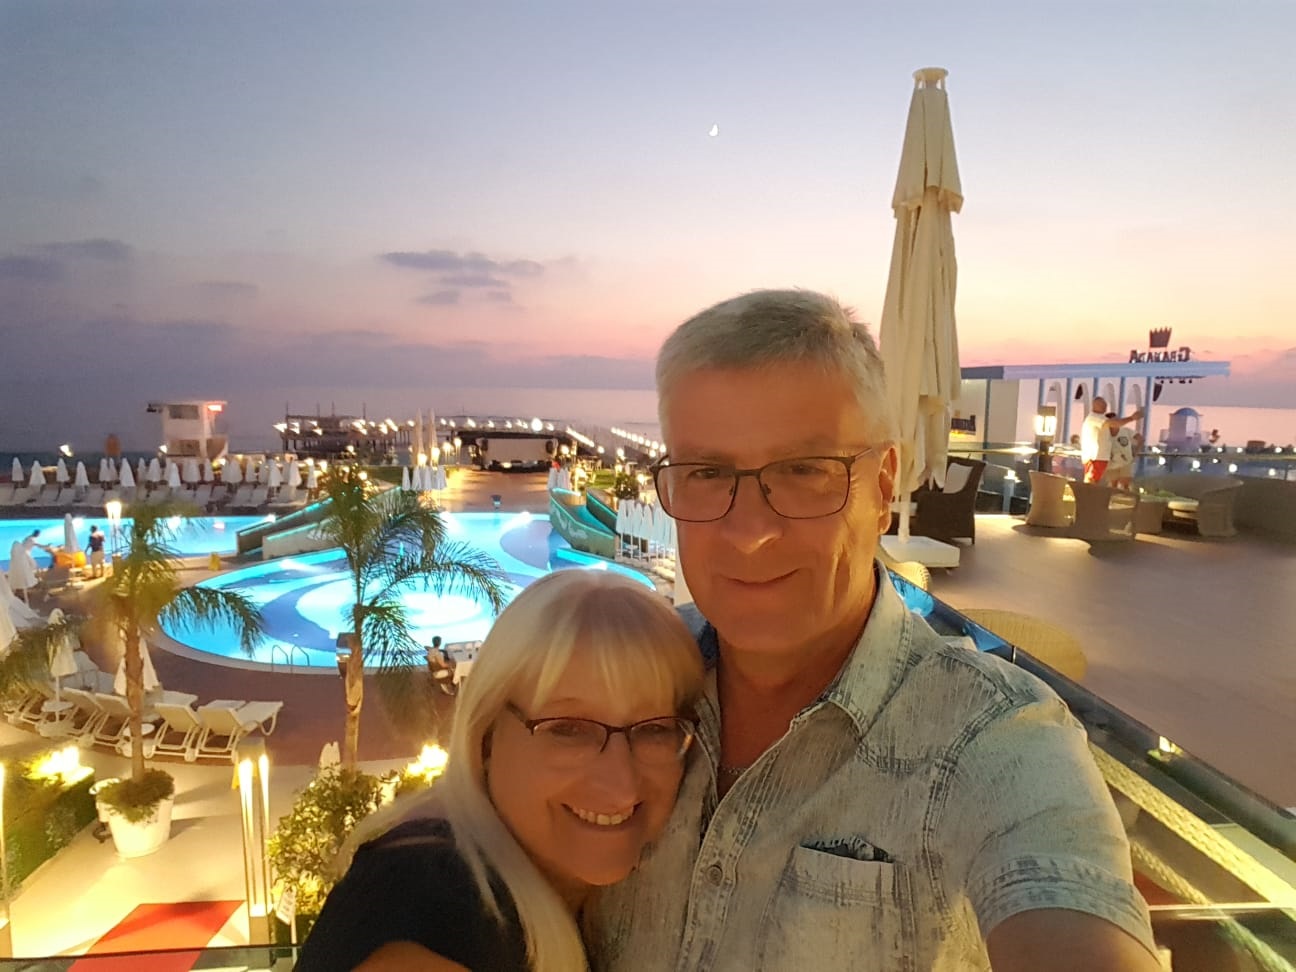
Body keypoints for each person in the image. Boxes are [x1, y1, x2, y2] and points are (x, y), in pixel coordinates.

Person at [588, 290, 1160, 971]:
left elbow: (1066, 905)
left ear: (884, 487)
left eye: (804, 471)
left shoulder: (991, 738)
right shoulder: (613, 680)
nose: (750, 533)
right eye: (708, 473)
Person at [295, 569, 705, 972]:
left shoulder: (532, 895)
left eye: (654, 729)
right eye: (569, 730)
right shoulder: (433, 910)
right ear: (487, 736)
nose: (620, 784)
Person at [1080, 397, 1143, 484]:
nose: (1105, 407)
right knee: (1091, 479)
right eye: (1102, 405)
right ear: (1095, 405)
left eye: (1105, 405)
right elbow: (1114, 424)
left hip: (1101, 457)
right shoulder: (1094, 418)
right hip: (1095, 457)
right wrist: (1131, 418)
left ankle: (1088, 492)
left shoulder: (1100, 418)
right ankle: (1085, 492)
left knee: (1094, 479)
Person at [1103, 415, 1136, 491]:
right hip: (1111, 463)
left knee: (1126, 484)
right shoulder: (1104, 434)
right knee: (1113, 484)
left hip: (1125, 461)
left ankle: (1126, 496)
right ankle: (1113, 496)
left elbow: (1140, 439)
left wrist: (1135, 452)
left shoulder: (1125, 431)